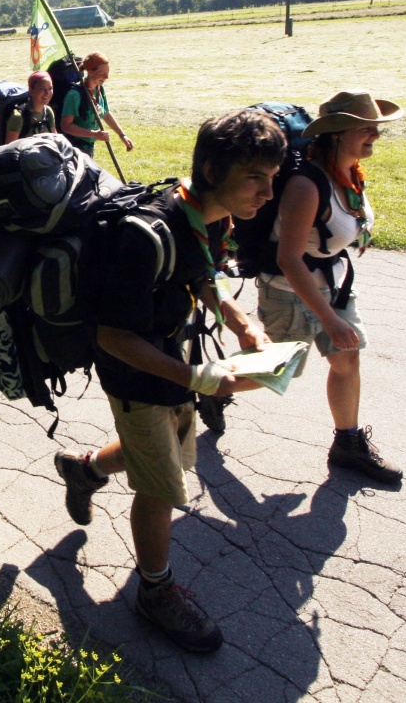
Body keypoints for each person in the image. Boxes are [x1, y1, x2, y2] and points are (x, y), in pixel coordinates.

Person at [52, 109, 286, 653]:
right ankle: (154, 592)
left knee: (163, 455)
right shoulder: (144, 235)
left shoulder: (206, 214)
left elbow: (199, 272)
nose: (268, 192)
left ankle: (83, 469)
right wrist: (197, 378)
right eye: (256, 177)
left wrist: (243, 325)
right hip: (138, 371)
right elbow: (112, 336)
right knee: (162, 486)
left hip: (174, 354)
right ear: (210, 168)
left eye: (272, 179)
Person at [258, 89, 404, 485]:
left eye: (376, 128)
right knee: (272, 373)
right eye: (366, 128)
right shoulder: (307, 185)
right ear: (337, 133)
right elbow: (288, 258)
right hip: (289, 293)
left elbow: (345, 220)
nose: (375, 134)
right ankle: (210, 393)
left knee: (347, 359)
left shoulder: (349, 173)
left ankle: (347, 444)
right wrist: (328, 319)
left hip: (333, 284)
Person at [59, 52, 133, 157]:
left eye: (108, 73)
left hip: (89, 148)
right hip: (74, 150)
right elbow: (66, 126)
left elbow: (105, 113)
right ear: (90, 72)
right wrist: (94, 134)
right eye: (102, 73)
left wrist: (122, 135)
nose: (106, 77)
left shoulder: (99, 89)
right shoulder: (74, 94)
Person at [4, 71, 57, 143]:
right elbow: (9, 150)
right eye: (42, 88)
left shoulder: (48, 111)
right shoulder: (18, 117)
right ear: (31, 90)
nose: (47, 93)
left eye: (50, 88)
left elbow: (56, 141)